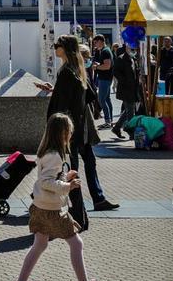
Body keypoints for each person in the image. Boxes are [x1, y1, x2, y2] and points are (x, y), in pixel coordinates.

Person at [12, 112, 113, 281]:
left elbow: (48, 179)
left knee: (39, 245)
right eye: (70, 131)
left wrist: (66, 177)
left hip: (40, 206)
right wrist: (68, 185)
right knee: (76, 244)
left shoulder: (47, 152)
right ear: (63, 133)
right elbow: (47, 182)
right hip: (52, 210)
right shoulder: (55, 156)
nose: (71, 135)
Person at [36, 35, 118, 214]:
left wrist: (57, 125)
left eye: (57, 45)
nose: (55, 48)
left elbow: (67, 101)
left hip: (70, 127)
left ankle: (78, 206)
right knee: (85, 162)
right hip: (78, 125)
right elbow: (82, 95)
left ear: (65, 48)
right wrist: (55, 89)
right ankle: (95, 199)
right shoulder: (75, 69)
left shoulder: (67, 71)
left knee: (72, 166)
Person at [110, 43, 141, 140]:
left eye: (134, 48)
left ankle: (116, 128)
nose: (133, 50)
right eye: (132, 48)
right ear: (127, 48)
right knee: (130, 112)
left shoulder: (134, 59)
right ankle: (131, 133)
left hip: (133, 89)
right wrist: (124, 81)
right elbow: (115, 72)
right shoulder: (121, 58)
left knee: (128, 110)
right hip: (126, 89)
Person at [90, 36, 114, 128]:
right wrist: (99, 65)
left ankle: (108, 121)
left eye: (95, 42)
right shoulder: (105, 50)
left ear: (100, 41)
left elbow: (107, 66)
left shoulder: (105, 51)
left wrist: (96, 67)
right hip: (106, 78)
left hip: (104, 79)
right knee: (107, 99)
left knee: (101, 100)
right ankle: (110, 121)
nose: (95, 44)